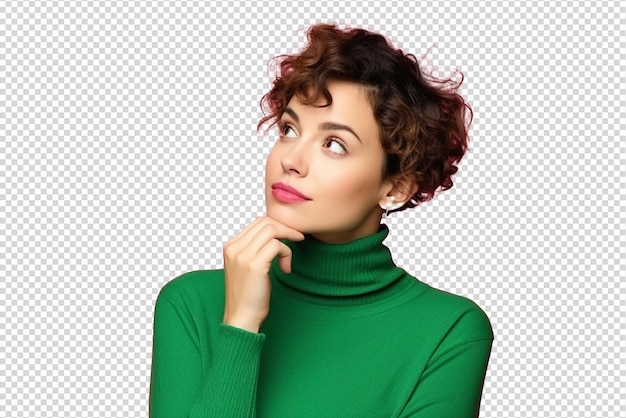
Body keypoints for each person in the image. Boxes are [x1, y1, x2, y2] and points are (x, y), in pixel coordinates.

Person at [149, 23, 493, 417]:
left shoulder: (449, 333)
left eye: (334, 144)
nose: (290, 161)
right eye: (289, 129)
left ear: (395, 186)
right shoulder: (192, 304)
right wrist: (240, 326)